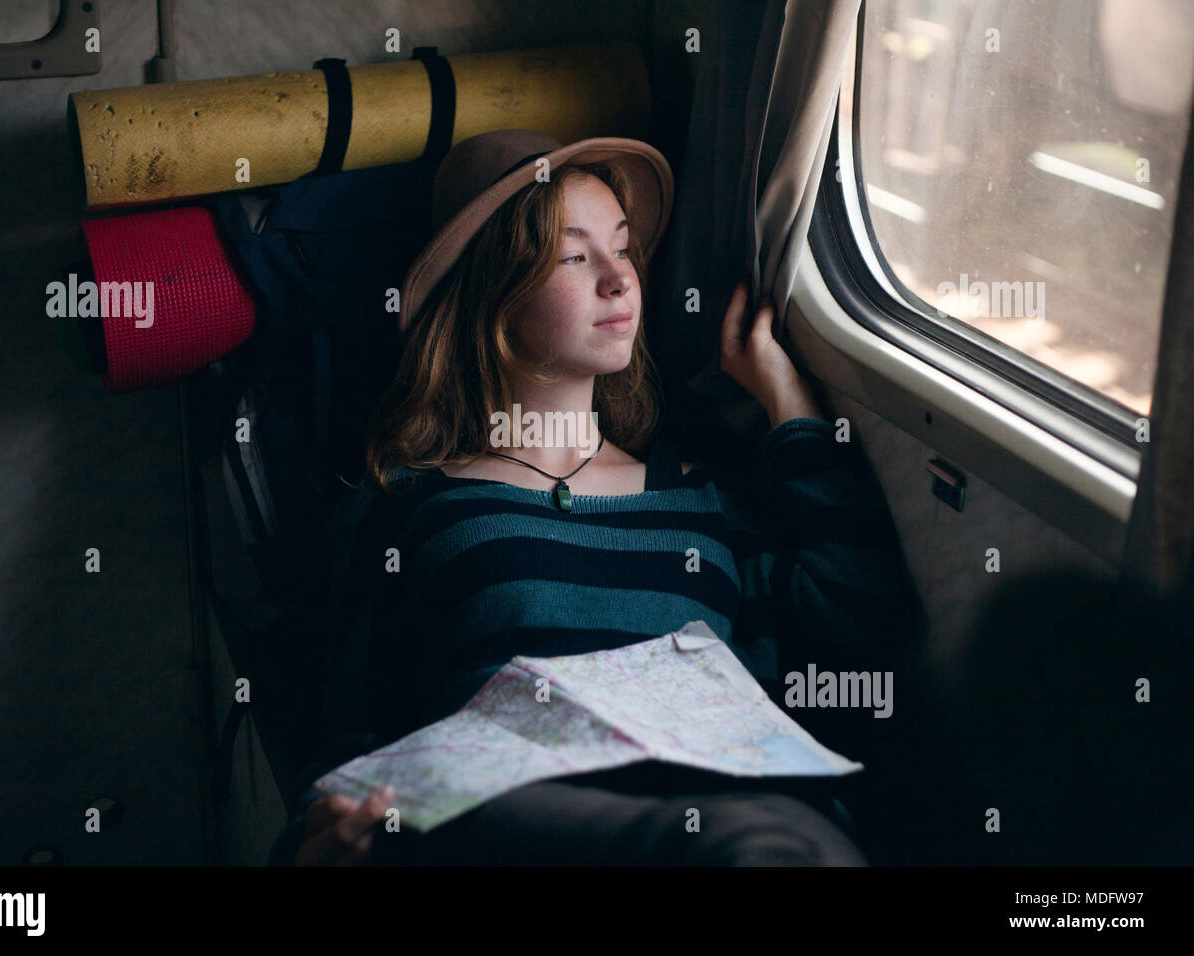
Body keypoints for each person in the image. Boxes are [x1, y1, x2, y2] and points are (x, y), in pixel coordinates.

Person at [269, 129, 922, 867]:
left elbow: (861, 614)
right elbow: (346, 731)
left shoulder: (703, 498)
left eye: (624, 249)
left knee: (777, 838)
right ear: (495, 295)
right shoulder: (414, 508)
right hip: (512, 822)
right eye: (576, 257)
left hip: (728, 807)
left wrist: (789, 402)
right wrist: (317, 834)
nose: (619, 280)